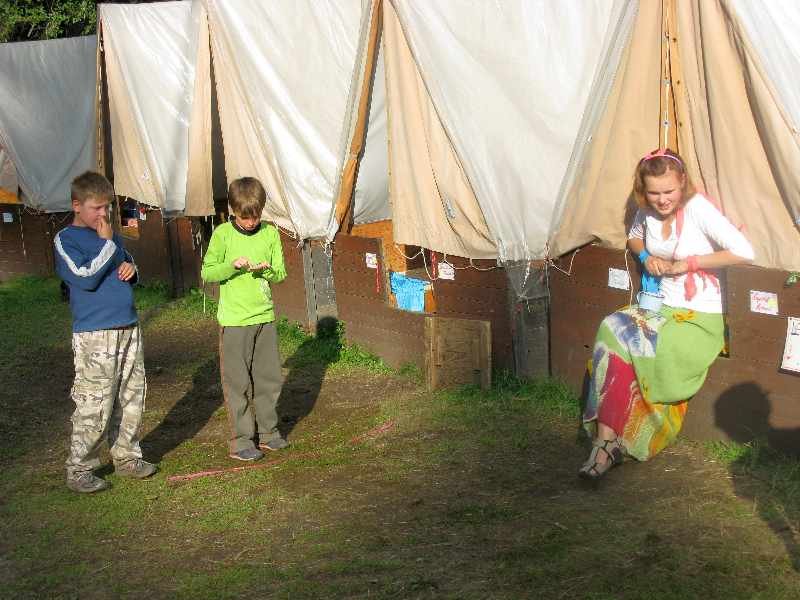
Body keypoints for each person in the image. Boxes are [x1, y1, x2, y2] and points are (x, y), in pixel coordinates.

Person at [579, 148, 754, 481]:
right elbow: (634, 238)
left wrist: (690, 263)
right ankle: (605, 442)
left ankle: (623, 439)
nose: (661, 200)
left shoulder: (697, 208)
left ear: (683, 182)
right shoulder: (647, 210)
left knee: (634, 344)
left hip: (697, 318)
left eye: (668, 191)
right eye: (654, 193)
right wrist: (646, 257)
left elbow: (745, 251)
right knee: (611, 328)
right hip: (661, 307)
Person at [55, 171, 157, 493]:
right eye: (97, 208)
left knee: (132, 396)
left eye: (108, 207)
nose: (104, 214)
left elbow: (126, 264)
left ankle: (127, 456)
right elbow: (84, 276)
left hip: (128, 326)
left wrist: (132, 269)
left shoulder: (111, 236)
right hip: (95, 334)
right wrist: (108, 244)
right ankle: (79, 468)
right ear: (77, 205)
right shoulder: (67, 239)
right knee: (95, 402)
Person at [201, 177, 288, 462]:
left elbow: (281, 274)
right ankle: (241, 440)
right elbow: (207, 272)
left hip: (265, 317)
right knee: (237, 383)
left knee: (268, 379)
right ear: (233, 211)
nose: (251, 222)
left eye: (256, 216)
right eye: (244, 217)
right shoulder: (222, 234)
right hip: (235, 322)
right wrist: (231, 266)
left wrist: (266, 271)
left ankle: (269, 433)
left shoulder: (270, 234)